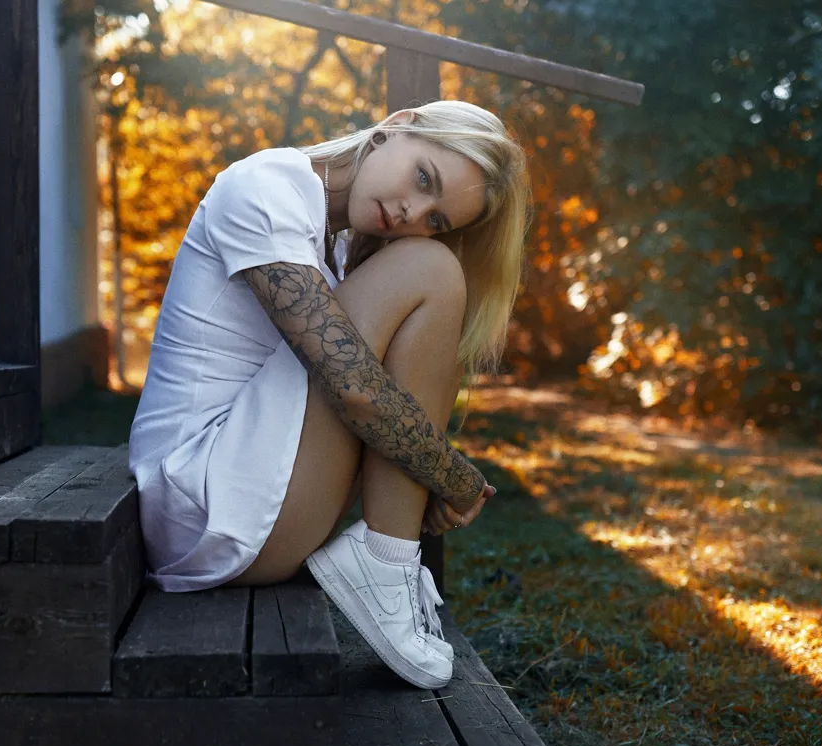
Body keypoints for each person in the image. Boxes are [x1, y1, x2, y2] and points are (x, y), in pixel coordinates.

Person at [128, 100, 530, 688]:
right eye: (424, 178)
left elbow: (363, 391)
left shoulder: (337, 244)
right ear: (396, 125)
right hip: (199, 505)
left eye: (437, 217)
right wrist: (448, 476)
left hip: (238, 512)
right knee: (431, 270)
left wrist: (430, 473)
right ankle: (386, 562)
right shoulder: (265, 188)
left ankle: (385, 563)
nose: (411, 211)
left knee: (427, 267)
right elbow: (356, 389)